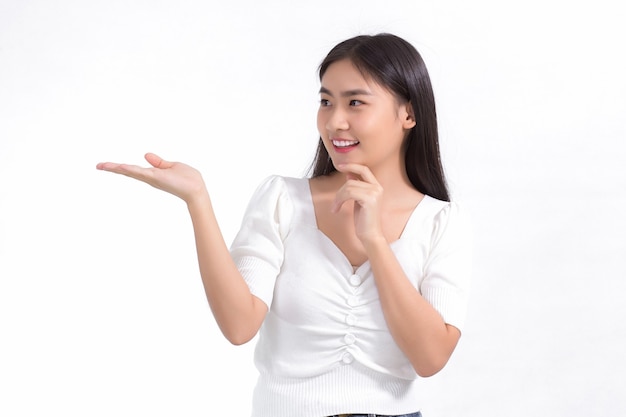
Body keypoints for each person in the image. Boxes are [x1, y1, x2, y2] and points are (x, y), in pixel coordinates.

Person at [96, 33, 471, 417]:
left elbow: (430, 358)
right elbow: (239, 326)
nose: (335, 121)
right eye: (326, 102)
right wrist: (198, 200)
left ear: (408, 113)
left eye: (355, 102)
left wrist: (374, 240)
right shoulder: (282, 201)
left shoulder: (440, 221)